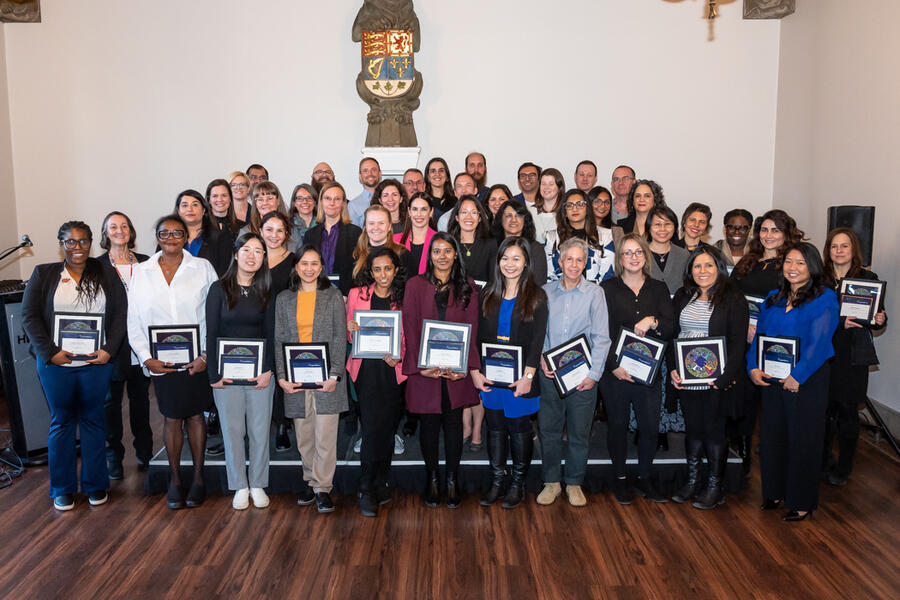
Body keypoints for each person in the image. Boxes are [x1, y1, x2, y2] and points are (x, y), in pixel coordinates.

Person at [22, 221, 127, 511]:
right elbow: (29, 317)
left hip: (96, 363)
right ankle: (63, 489)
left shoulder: (106, 272)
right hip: (56, 365)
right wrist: (50, 352)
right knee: (62, 422)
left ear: (91, 243)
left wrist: (108, 350)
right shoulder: (44, 274)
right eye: (70, 242)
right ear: (61, 244)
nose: (77, 247)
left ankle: (95, 485)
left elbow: (120, 315)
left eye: (82, 241)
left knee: (94, 421)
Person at [128, 215, 218, 509]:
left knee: (195, 416)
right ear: (156, 236)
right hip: (160, 361)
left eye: (177, 233)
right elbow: (134, 320)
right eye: (164, 233)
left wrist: (205, 355)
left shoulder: (202, 268)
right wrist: (146, 358)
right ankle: (175, 479)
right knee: (170, 417)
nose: (171, 237)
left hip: (196, 358)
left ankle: (199, 478)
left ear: (186, 236)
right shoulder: (141, 272)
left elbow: (213, 314)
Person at [748, 242, 839, 521]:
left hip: (806, 380)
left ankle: (801, 501)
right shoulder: (773, 297)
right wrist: (752, 367)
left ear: (812, 266)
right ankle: (774, 492)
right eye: (788, 261)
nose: (793, 268)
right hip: (772, 380)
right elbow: (758, 338)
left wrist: (797, 376)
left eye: (800, 262)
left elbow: (820, 343)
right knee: (772, 437)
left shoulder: (824, 298)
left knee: (803, 439)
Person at [402, 233, 480, 508]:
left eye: (448, 251)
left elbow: (472, 331)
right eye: (437, 251)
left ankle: (452, 479)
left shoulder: (467, 286)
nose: (442, 256)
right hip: (426, 371)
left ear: (455, 254)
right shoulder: (415, 285)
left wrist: (467, 369)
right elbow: (409, 327)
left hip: (455, 373)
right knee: (429, 427)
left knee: (454, 424)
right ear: (430, 255)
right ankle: (432, 478)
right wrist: (420, 367)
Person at [669, 247, 749, 509]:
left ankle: (715, 486)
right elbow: (673, 335)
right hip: (688, 377)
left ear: (719, 268)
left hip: (718, 380)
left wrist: (725, 378)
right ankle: (693, 482)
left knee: (715, 432)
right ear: (690, 271)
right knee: (693, 429)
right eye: (697, 266)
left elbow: (738, 343)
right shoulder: (683, 296)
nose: (703, 271)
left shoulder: (733, 299)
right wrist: (674, 369)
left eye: (709, 266)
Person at [600, 233, 674, 505]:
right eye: (627, 253)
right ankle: (619, 478)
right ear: (620, 259)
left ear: (646, 256)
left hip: (648, 372)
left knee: (650, 426)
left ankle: (645, 477)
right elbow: (600, 333)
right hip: (616, 372)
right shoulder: (606, 289)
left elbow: (671, 326)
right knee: (617, 425)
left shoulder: (659, 289)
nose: (633, 257)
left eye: (638, 252)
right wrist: (613, 366)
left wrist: (653, 320)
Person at [537, 237, 610, 507]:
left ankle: (575, 482)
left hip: (583, 377)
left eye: (580, 259)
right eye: (569, 259)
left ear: (586, 263)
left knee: (580, 433)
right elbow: (540, 332)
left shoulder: (595, 293)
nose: (574, 264)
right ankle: (552, 481)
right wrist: (543, 359)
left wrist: (594, 375)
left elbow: (602, 337)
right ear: (560, 260)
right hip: (550, 376)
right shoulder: (544, 292)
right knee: (549, 430)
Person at [274, 245, 348, 513]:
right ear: (296, 266)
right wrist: (282, 376)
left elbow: (340, 337)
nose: (309, 268)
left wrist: (335, 375)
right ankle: (310, 479)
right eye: (304, 263)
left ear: (321, 267)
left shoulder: (332, 295)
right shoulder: (284, 298)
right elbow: (279, 339)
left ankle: (323, 488)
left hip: (326, 379)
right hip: (295, 380)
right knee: (304, 436)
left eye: (314, 263)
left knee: (325, 437)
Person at [730, 209, 805, 474]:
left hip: (776, 343)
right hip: (744, 339)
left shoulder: (792, 264)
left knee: (776, 403)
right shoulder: (748, 261)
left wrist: (759, 328)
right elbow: (731, 297)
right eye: (764, 229)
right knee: (745, 401)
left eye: (775, 230)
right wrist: (744, 327)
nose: (768, 235)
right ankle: (743, 459)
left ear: (786, 234)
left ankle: (779, 459)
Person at [476, 237, 548, 509]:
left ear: (526, 262)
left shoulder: (537, 296)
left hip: (521, 379)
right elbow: (479, 337)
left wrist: (528, 377)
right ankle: (497, 481)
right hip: (492, 378)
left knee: (519, 429)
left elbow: (537, 340)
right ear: (498, 262)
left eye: (516, 258)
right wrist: (477, 372)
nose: (510, 263)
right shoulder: (486, 294)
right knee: (494, 428)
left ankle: (517, 483)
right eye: (505, 258)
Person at [206, 233, 276, 510]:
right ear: (236, 254)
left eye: (258, 251)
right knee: (232, 430)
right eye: (247, 250)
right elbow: (211, 334)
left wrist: (268, 369)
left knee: (259, 430)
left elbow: (271, 334)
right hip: (227, 375)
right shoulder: (218, 289)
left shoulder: (268, 289)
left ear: (264, 258)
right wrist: (214, 375)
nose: (252, 256)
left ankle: (257, 483)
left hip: (260, 374)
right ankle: (239, 485)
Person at [821, 228, 887, 486]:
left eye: (844, 246)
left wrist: (881, 318)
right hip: (825, 353)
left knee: (848, 415)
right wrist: (840, 322)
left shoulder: (868, 278)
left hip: (853, 357)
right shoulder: (819, 280)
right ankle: (823, 462)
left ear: (853, 250)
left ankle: (844, 467)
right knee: (824, 413)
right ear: (828, 250)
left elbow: (877, 315)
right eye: (834, 246)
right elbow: (812, 317)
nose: (839, 250)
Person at [346, 247, 407, 516]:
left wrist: (400, 355)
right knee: (371, 429)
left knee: (388, 427)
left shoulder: (405, 297)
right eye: (377, 269)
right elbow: (350, 336)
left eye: (388, 268)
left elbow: (409, 337)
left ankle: (382, 481)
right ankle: (365, 487)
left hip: (393, 371)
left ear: (395, 270)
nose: (383, 274)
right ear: (370, 272)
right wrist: (351, 329)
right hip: (366, 371)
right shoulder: (356, 295)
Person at [98, 212, 152, 480]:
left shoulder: (146, 263)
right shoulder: (96, 266)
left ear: (131, 230)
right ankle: (114, 458)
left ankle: (145, 452)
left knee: (141, 401)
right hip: (112, 346)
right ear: (105, 233)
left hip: (141, 344)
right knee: (111, 405)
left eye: (124, 226)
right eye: (113, 227)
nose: (120, 230)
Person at [259, 212, 298, 452]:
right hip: (254, 327)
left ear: (287, 234)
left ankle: (282, 425)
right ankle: (257, 427)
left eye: (279, 230)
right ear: (261, 231)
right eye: (269, 229)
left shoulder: (294, 260)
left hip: (284, 326)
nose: (274, 235)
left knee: (282, 376)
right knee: (259, 377)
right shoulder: (252, 257)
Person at [302, 181, 363, 296]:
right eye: (327, 198)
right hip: (315, 293)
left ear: (344, 203)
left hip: (345, 295)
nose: (332, 203)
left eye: (337, 199)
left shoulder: (355, 233)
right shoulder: (310, 235)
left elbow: (358, 269)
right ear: (321, 202)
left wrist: (346, 295)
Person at [544, 188, 614, 283]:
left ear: (587, 208)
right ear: (564, 212)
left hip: (595, 293)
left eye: (580, 204)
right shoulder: (552, 238)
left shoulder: (606, 236)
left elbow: (607, 274)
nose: (575, 208)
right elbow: (549, 275)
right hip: (560, 294)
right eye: (569, 205)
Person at [175, 189, 232, 276]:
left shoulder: (220, 237)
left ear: (203, 210)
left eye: (195, 205)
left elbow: (224, 272)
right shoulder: (169, 238)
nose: (189, 209)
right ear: (178, 211)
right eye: (184, 205)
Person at [491, 200, 548, 284]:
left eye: (518, 215)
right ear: (501, 219)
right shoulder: (492, 246)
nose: (513, 220)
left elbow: (539, 283)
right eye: (508, 216)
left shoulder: (535, 249)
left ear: (525, 220)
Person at [353, 205, 408, 284]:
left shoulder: (402, 253)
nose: (376, 228)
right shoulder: (355, 254)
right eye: (371, 223)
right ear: (365, 227)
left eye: (381, 223)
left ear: (389, 226)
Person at [448, 195, 498, 284]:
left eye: (473, 212)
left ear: (479, 218)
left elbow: (494, 281)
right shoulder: (449, 243)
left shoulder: (490, 244)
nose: (469, 217)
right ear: (457, 217)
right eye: (464, 212)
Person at [646, 205, 690, 295]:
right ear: (649, 227)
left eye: (667, 224)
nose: (663, 229)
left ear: (675, 228)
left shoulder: (684, 255)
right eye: (657, 224)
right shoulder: (638, 254)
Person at [395, 192, 437, 276]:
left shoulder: (439, 240)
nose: (419, 214)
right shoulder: (395, 240)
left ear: (431, 212)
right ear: (409, 211)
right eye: (415, 209)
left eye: (424, 209)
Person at [531, 167, 564, 243]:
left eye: (551, 184)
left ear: (559, 187)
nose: (546, 187)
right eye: (543, 184)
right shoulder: (530, 212)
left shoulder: (566, 212)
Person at [349, 157, 382, 226]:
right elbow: (353, 235)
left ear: (380, 173)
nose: (370, 173)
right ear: (360, 176)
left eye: (373, 169)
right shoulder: (353, 206)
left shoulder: (389, 200)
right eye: (365, 170)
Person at [289, 184, 318, 250]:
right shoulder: (287, 226)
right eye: (300, 198)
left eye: (309, 198)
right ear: (294, 203)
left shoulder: (324, 225)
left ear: (315, 202)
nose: (305, 202)